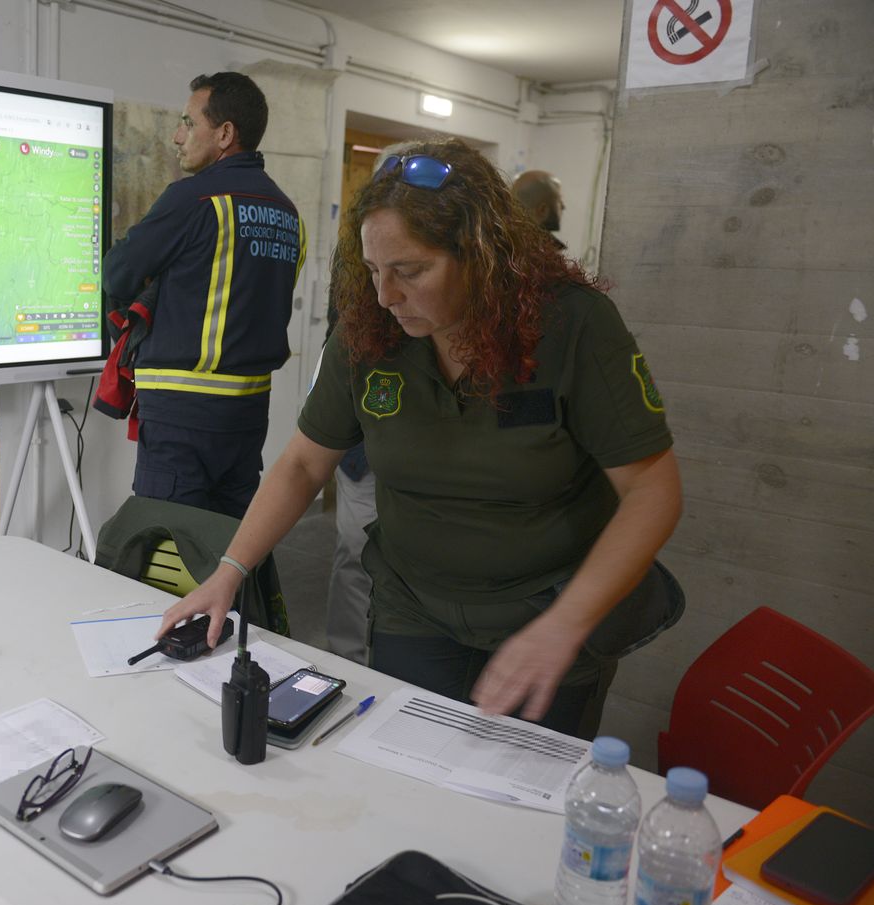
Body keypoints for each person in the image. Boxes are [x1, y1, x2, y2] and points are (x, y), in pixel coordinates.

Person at [159, 138, 683, 739]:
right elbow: (305, 464)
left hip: (547, 607)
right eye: (374, 270)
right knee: (410, 764)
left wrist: (567, 623)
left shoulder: (573, 326)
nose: (386, 295)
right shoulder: (370, 330)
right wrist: (230, 570)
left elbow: (651, 489)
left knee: (520, 799)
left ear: (483, 254)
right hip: (414, 605)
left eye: (410, 270)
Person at [102, 73, 305, 519]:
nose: (177, 136)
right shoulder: (289, 214)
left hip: (182, 413)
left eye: (188, 123)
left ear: (225, 133)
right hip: (249, 412)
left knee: (169, 547)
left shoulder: (193, 198)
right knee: (225, 547)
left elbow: (117, 274)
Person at [320, 142, 415, 666]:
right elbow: (347, 342)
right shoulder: (354, 257)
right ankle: (345, 663)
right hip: (364, 436)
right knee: (356, 554)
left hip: (423, 444)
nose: (388, 292)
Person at [511, 169, 566, 250]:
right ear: (543, 210)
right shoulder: (539, 254)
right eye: (559, 201)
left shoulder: (507, 243)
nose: (563, 207)